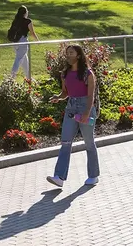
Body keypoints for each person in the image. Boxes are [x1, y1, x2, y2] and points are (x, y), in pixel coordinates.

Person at [45, 44, 100, 189]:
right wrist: (59, 97)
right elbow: (65, 93)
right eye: (67, 53)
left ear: (79, 56)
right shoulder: (65, 73)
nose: (68, 55)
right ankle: (59, 177)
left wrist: (87, 112)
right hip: (71, 107)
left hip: (85, 106)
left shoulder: (87, 74)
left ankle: (93, 176)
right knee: (65, 141)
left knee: (89, 142)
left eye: (71, 53)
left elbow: (91, 96)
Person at [7, 6, 38, 79]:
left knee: (24, 60)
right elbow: (32, 33)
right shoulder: (28, 21)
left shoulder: (16, 20)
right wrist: (37, 41)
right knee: (18, 59)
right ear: (25, 13)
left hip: (15, 42)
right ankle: (11, 78)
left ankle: (29, 77)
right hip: (22, 42)